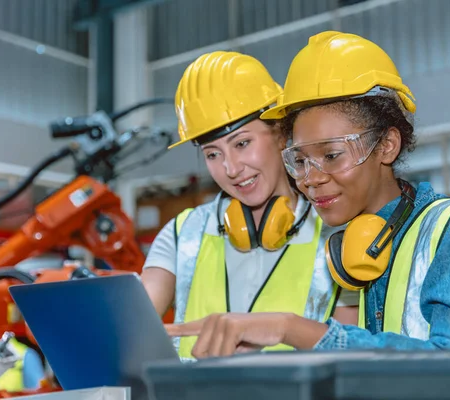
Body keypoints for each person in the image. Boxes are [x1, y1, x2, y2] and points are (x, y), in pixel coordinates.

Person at [165, 33, 450, 399]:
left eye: (332, 155)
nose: (311, 179)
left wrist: (291, 329)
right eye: (300, 161)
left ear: (387, 145)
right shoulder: (362, 250)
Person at [141, 50, 358, 359]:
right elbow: (132, 328)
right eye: (213, 154)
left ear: (282, 134)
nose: (230, 168)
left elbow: (348, 352)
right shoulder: (182, 233)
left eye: (242, 144)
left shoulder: (337, 231)